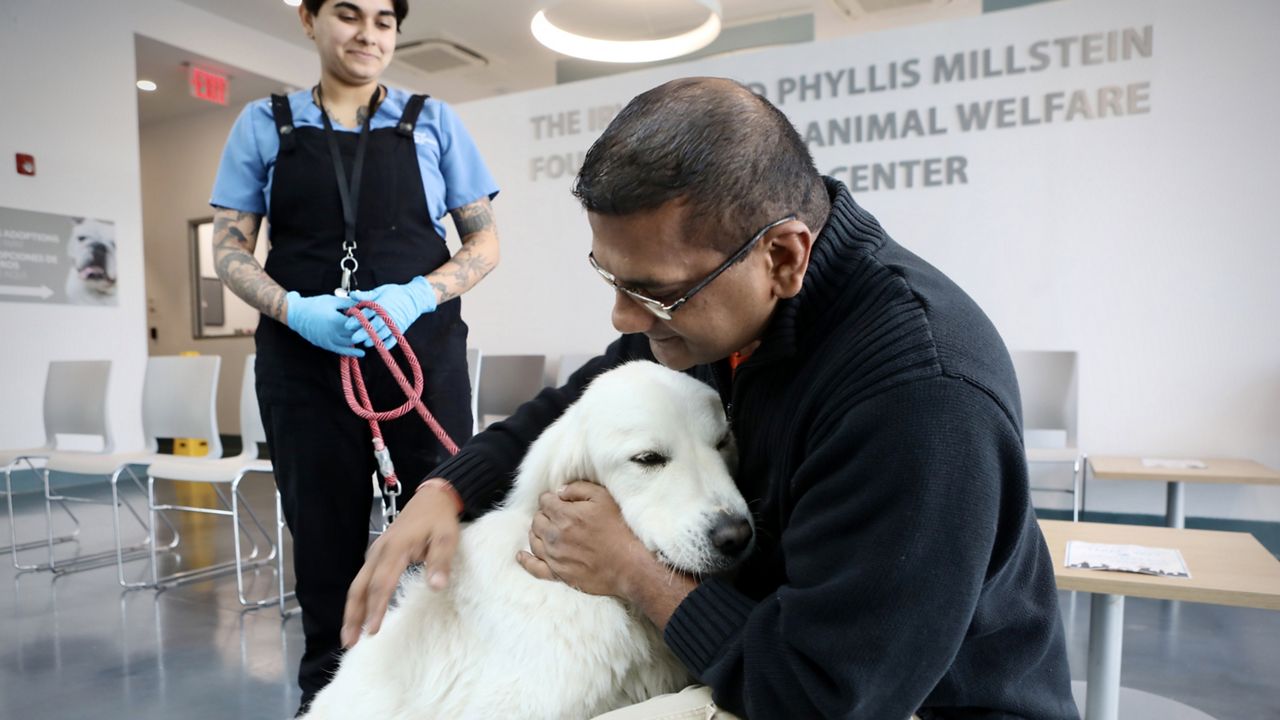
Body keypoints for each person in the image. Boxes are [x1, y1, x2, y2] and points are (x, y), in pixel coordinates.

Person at [343, 77, 1078, 719]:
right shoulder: (704, 318)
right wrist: (445, 489)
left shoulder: (918, 399)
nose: (625, 320)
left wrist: (634, 572)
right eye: (612, 280)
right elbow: (584, 402)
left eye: (654, 293)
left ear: (782, 257)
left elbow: (827, 696)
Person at [207, 0, 499, 713]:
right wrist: (293, 309)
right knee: (324, 539)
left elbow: (485, 244)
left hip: (420, 355)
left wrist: (417, 296)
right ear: (307, 19)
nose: (368, 34)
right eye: (347, 14)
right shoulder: (264, 124)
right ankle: (330, 697)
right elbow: (229, 248)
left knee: (441, 521)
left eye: (384, 20)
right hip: (303, 364)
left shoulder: (432, 120)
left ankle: (452, 688)